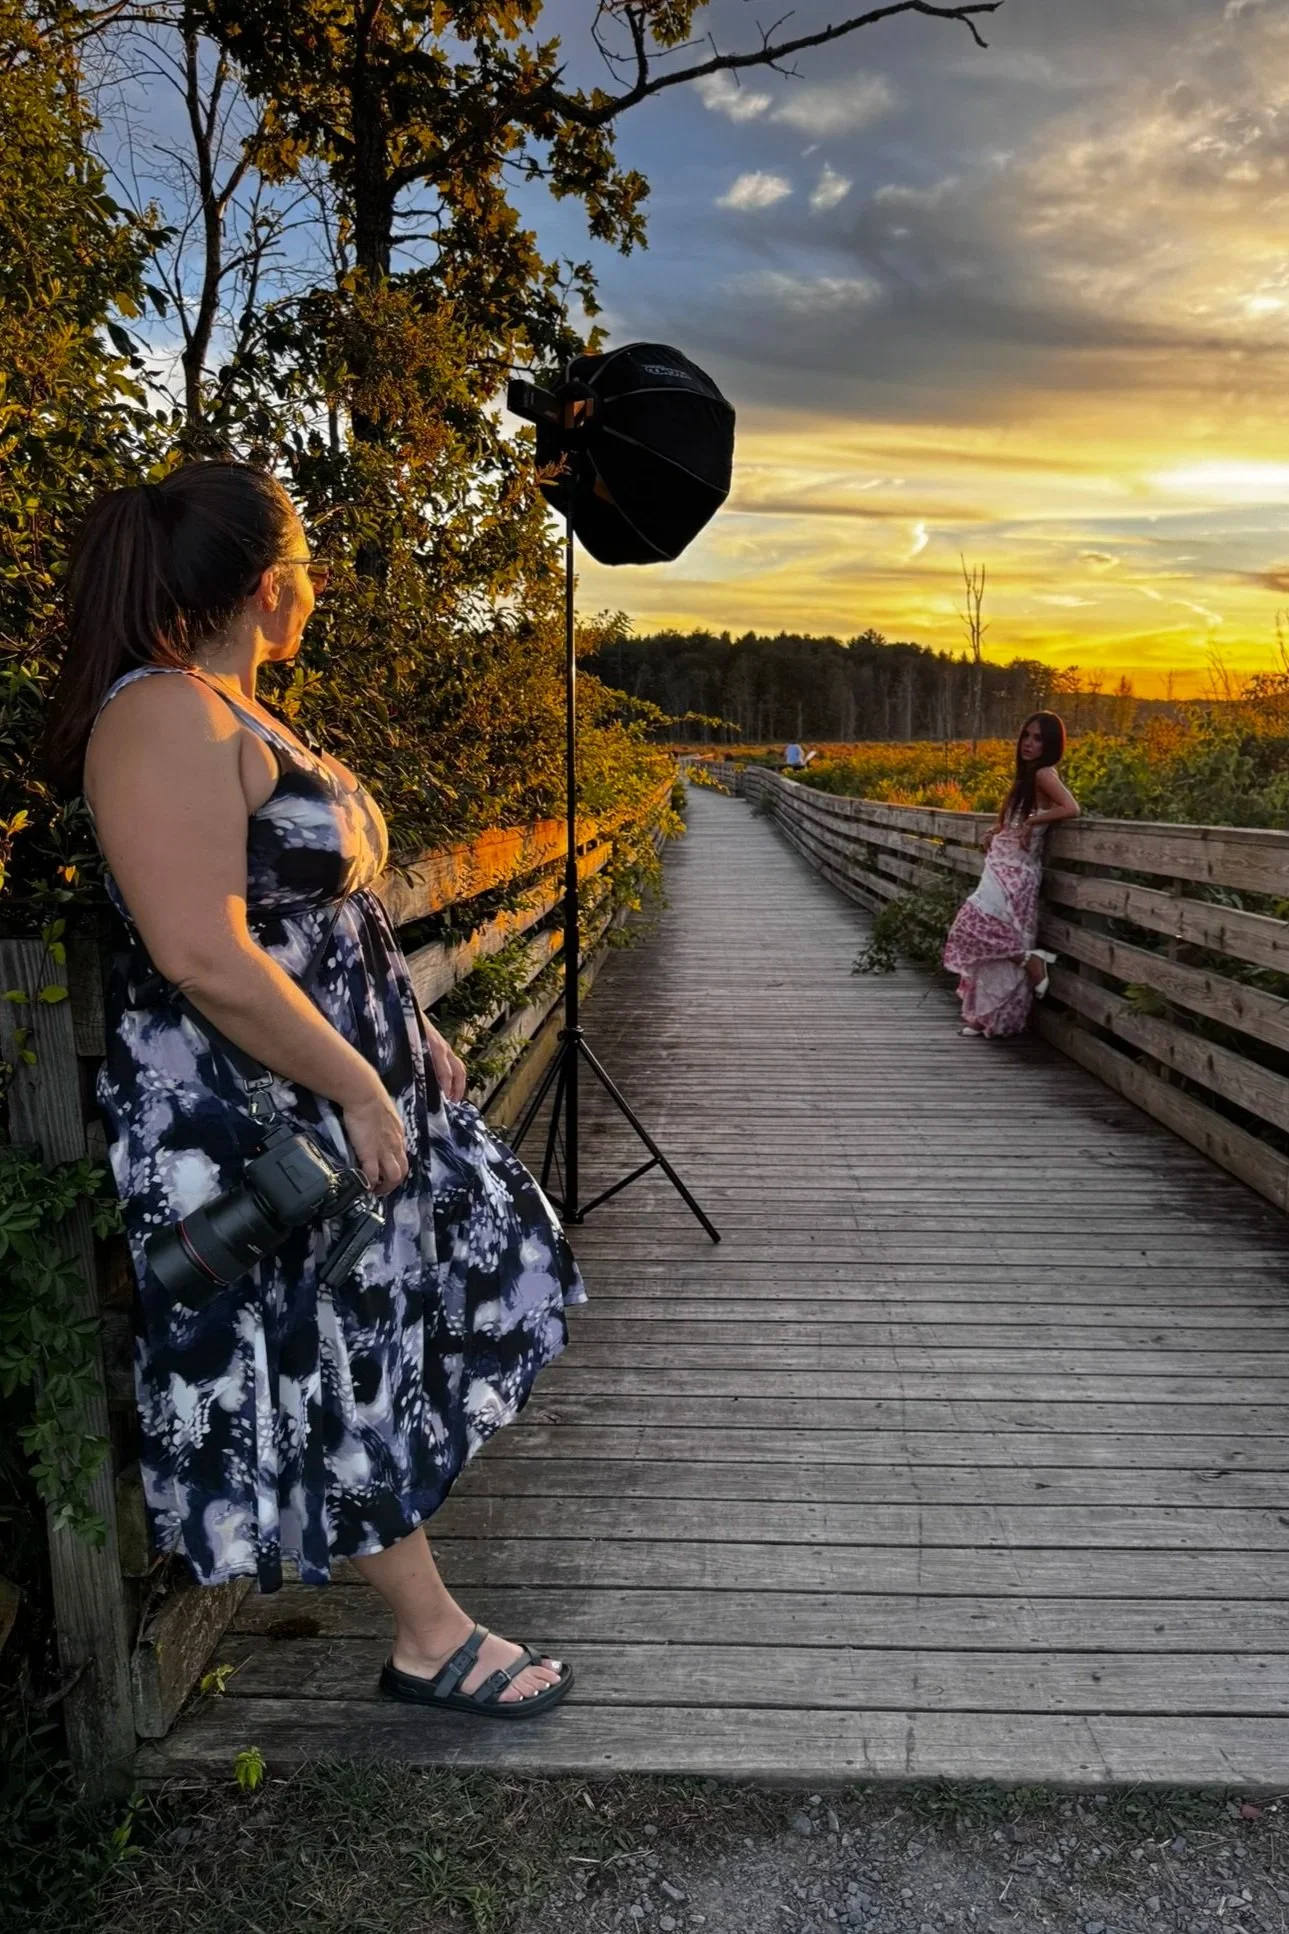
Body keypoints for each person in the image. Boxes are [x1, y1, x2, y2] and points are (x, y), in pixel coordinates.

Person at [44, 462, 583, 1718]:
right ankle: (426, 1632)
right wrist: (354, 1080)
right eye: (306, 560)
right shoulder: (163, 715)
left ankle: (416, 1605)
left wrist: (415, 1030)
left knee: (452, 1289)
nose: (319, 586)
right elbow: (199, 949)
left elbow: (324, 919)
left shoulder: (239, 708)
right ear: (264, 578)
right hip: (254, 1119)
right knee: (323, 1353)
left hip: (340, 1091)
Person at [941, 711, 1079, 1038]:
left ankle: (1031, 962)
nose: (1029, 744)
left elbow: (1072, 808)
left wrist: (1032, 823)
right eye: (1026, 736)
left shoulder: (1044, 773)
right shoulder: (1027, 776)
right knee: (989, 931)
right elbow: (1019, 818)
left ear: (1050, 745)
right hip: (1001, 864)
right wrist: (998, 830)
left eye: (1038, 739)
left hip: (1017, 872)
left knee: (972, 927)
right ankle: (984, 1016)